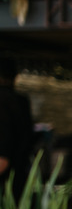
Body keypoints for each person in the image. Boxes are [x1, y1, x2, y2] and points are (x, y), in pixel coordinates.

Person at [0, 59, 34, 200]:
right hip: (20, 178)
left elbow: (2, 158)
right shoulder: (22, 102)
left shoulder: (2, 102)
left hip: (4, 184)